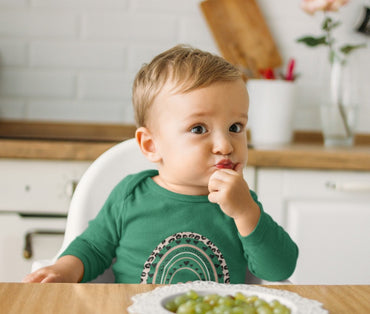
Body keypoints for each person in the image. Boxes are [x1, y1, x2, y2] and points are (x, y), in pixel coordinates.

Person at [23, 45, 298, 284]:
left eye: (235, 126)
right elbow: (93, 248)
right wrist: (64, 270)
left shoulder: (240, 204)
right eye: (199, 128)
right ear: (151, 145)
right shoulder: (130, 196)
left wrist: (247, 213)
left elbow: (279, 270)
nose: (225, 145)